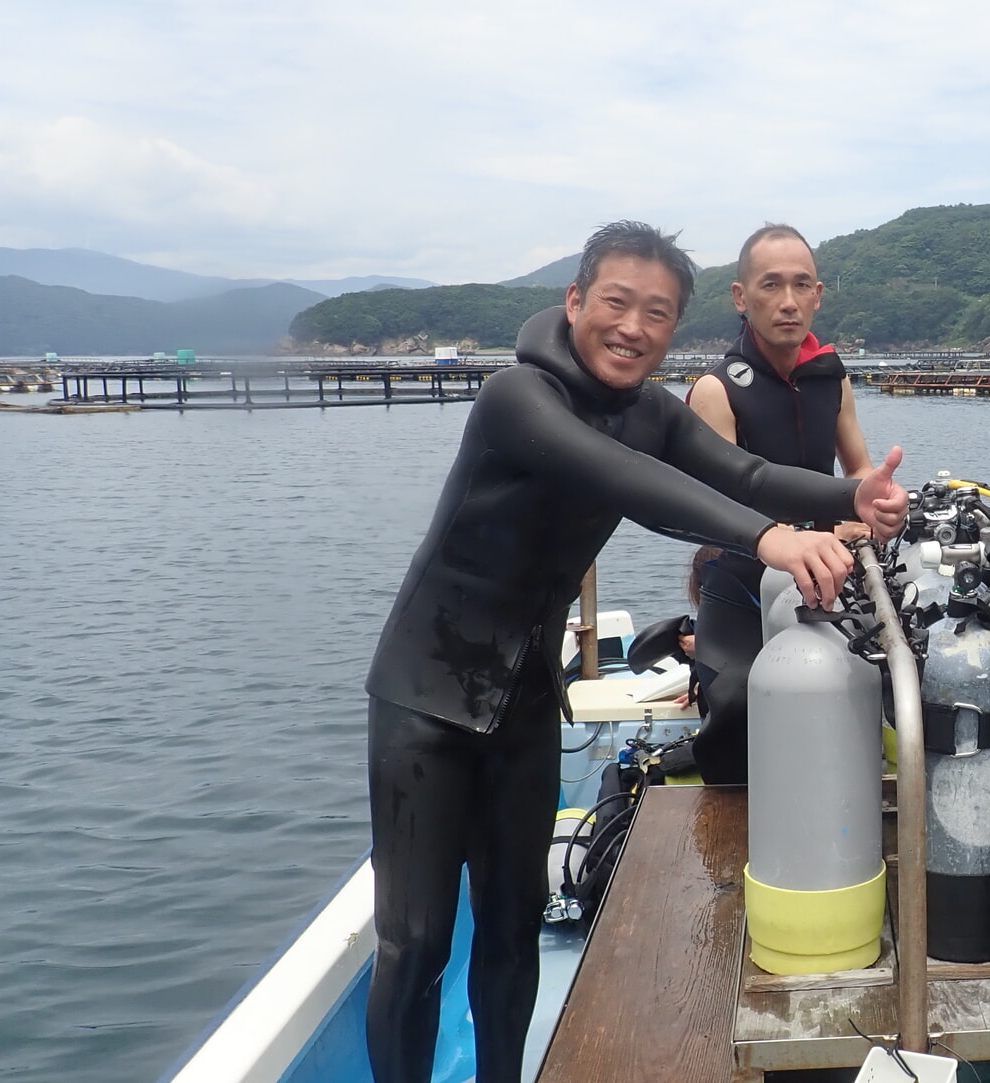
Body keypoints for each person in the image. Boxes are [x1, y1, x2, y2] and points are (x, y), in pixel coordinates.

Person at [362, 221, 910, 1083]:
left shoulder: (647, 411)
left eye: (658, 313)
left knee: (512, 928)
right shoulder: (517, 397)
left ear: (677, 326)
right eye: (616, 303)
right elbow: (637, 487)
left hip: (525, 699)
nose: (633, 326)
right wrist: (769, 541)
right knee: (418, 940)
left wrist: (852, 490)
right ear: (575, 301)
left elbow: (747, 474)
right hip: (425, 695)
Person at [682, 223, 875, 783]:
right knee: (739, 710)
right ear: (742, 297)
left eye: (801, 286)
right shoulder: (717, 390)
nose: (787, 302)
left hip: (828, 575)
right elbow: (719, 508)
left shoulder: (831, 379)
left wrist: (874, 505)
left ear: (818, 295)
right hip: (741, 585)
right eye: (770, 286)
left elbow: (857, 470)